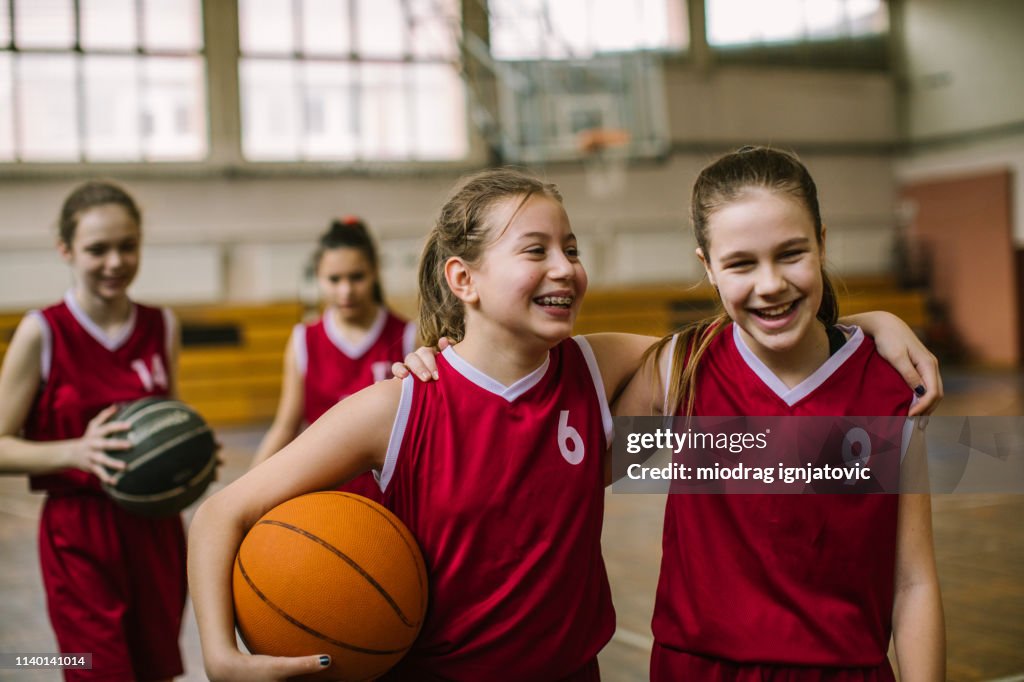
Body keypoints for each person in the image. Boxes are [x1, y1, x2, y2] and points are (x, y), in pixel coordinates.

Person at [188, 168, 653, 681]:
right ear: (463, 279)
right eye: (536, 250)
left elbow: (719, 405)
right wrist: (220, 658)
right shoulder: (399, 406)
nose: (565, 268)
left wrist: (747, 461)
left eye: (572, 249)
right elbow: (219, 515)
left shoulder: (596, 366)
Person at [614, 146, 944, 680]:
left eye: (791, 253)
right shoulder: (681, 369)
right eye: (741, 263)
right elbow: (582, 479)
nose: (770, 283)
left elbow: (914, 582)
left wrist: (873, 324)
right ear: (708, 267)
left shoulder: (888, 390)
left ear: (822, 243)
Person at [0, 181, 188, 681]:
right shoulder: (42, 330)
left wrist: (190, 454)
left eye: (127, 246)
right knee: (94, 671)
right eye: (97, 249)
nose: (115, 262)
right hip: (78, 533)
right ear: (65, 250)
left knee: (157, 669)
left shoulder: (162, 325)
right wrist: (75, 453)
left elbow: (169, 419)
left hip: (155, 528)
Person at [249, 217, 416, 501]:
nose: (346, 290)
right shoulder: (304, 339)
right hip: (322, 494)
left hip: (390, 496)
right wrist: (246, 490)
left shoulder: (408, 336)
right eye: (334, 279)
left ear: (375, 271)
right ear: (318, 276)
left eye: (356, 277)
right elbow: (285, 426)